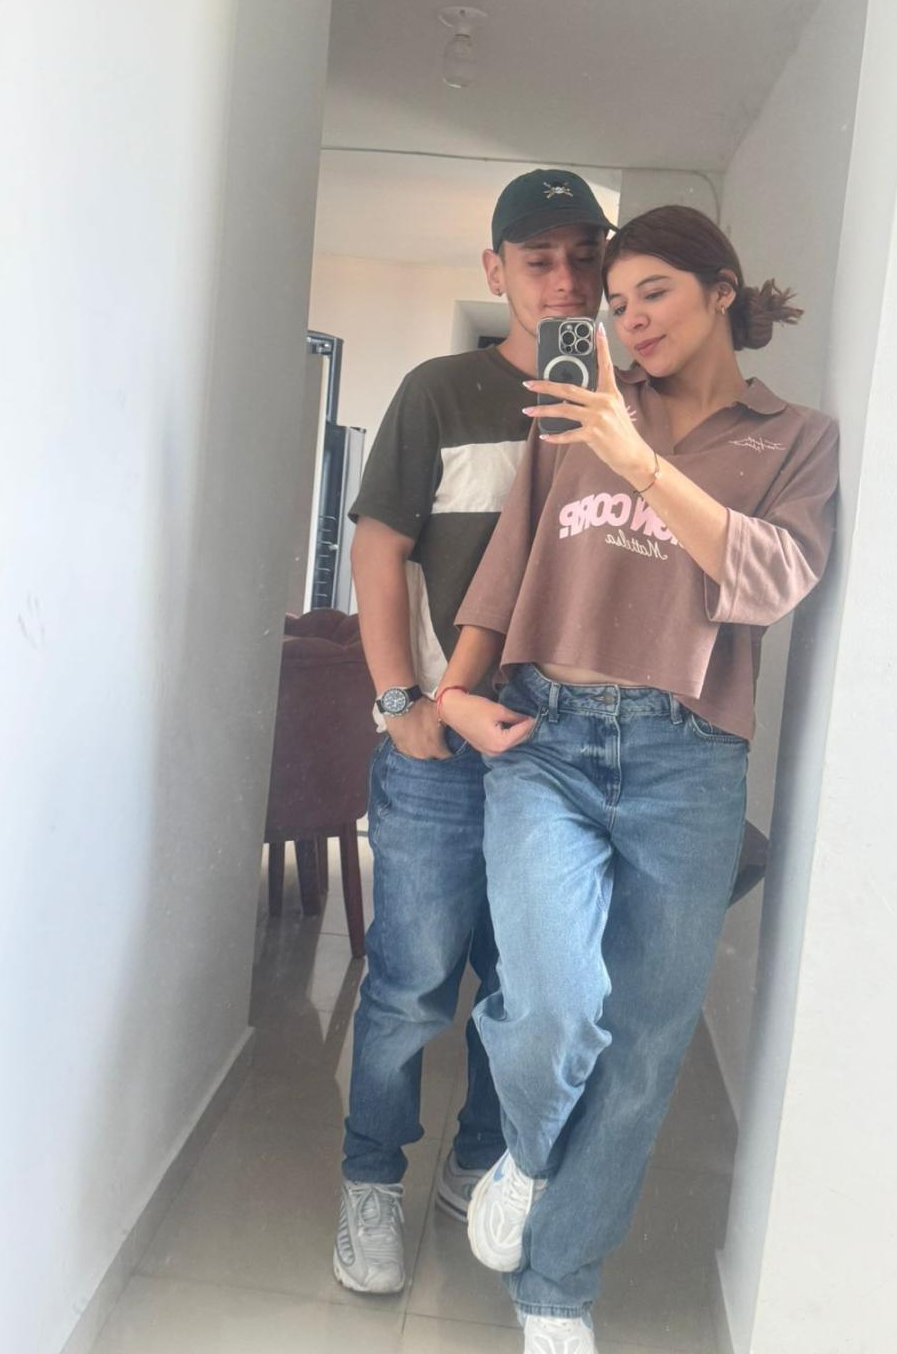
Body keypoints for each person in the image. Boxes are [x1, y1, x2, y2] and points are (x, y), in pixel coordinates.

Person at [434, 205, 840, 1353]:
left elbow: (771, 580)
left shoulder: (794, 438)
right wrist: (450, 692)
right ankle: (526, 1154)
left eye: (652, 292)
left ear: (723, 289)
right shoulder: (579, 412)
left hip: (689, 759)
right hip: (547, 738)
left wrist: (638, 461)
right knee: (556, 1003)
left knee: (648, 1045)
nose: (630, 319)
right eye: (616, 304)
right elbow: (507, 562)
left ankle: (556, 1290)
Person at [333, 170, 616, 1295]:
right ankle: (370, 1177)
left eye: (584, 257)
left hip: (573, 751)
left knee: (527, 985)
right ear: (496, 270)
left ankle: (479, 1158)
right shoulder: (439, 392)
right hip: (443, 748)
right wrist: (397, 702)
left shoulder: (631, 403)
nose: (565, 280)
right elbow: (379, 550)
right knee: (410, 980)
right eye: (539, 259)